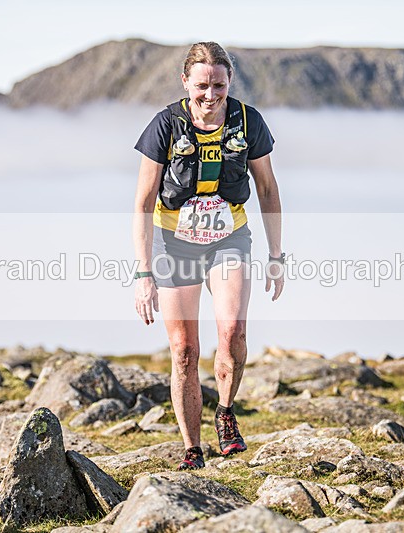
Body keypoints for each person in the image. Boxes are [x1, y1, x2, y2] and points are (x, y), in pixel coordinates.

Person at [132, 42, 284, 470]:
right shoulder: (165, 125)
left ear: (230, 81)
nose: (211, 95)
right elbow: (143, 202)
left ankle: (225, 411)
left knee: (233, 333)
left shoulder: (248, 121)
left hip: (228, 239)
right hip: (173, 242)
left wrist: (277, 254)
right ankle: (191, 448)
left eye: (219, 84)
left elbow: (268, 190)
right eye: (202, 85)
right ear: (185, 82)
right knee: (184, 351)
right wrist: (144, 272)